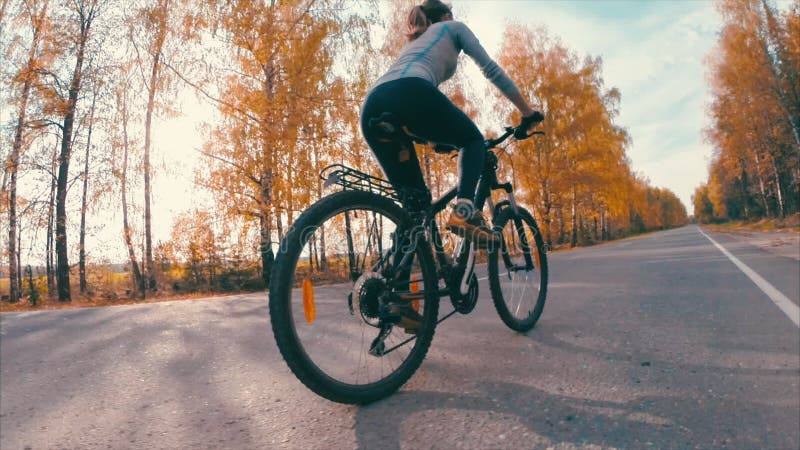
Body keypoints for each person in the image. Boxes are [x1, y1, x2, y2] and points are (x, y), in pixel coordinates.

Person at [360, 0, 542, 247]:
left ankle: (394, 281)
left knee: (416, 207)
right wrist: (527, 112)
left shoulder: (413, 43)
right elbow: (491, 70)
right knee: (472, 140)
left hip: (373, 105)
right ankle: (464, 214)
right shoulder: (454, 27)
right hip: (412, 91)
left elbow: (411, 108)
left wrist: (434, 139)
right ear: (446, 15)